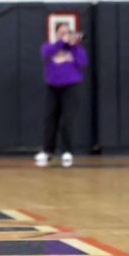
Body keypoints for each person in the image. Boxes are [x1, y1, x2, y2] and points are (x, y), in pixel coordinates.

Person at [35, 23, 87, 168]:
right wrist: (61, 42)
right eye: (61, 32)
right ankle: (47, 150)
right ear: (56, 33)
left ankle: (67, 151)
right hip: (52, 87)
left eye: (67, 32)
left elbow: (82, 61)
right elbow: (47, 54)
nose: (65, 34)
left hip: (70, 88)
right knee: (49, 118)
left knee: (67, 119)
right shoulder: (48, 46)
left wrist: (74, 45)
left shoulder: (75, 49)